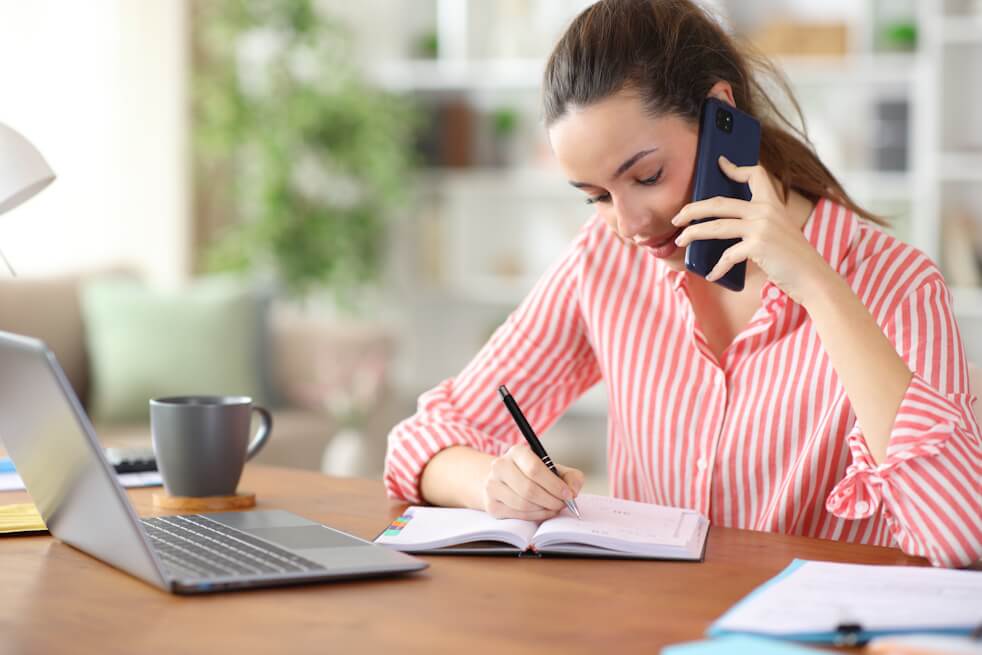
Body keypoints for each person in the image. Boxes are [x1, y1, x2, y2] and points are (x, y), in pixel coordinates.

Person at [384, 0, 982, 568]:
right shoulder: (605, 262)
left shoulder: (896, 284)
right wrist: (494, 484)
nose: (629, 224)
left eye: (647, 175)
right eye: (597, 197)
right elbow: (422, 438)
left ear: (722, 111)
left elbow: (960, 533)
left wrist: (819, 287)